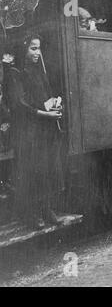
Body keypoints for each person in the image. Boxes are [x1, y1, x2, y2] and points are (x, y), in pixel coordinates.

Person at [4, 34, 64, 229]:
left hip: (43, 129)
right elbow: (19, 105)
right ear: (23, 49)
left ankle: (46, 209)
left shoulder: (39, 71)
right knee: (31, 170)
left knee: (46, 169)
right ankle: (31, 214)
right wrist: (46, 114)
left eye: (38, 48)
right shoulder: (15, 73)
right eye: (33, 48)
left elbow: (46, 97)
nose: (37, 52)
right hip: (27, 130)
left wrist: (54, 105)